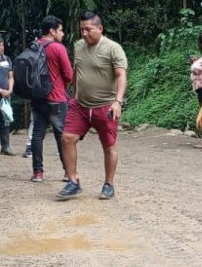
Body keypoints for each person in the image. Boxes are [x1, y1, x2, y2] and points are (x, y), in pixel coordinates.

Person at [58, 12, 128, 201]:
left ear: (100, 28)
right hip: (79, 105)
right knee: (67, 138)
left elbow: (121, 76)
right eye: (82, 30)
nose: (84, 34)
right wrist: (70, 93)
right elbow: (77, 71)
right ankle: (73, 182)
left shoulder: (113, 49)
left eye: (88, 29)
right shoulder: (79, 46)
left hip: (105, 106)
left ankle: (108, 184)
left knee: (108, 146)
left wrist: (118, 102)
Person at [26, 16, 74, 182]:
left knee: (37, 136)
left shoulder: (33, 47)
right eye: (60, 30)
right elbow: (69, 74)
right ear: (52, 31)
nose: (62, 33)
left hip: (38, 99)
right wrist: (63, 86)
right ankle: (68, 172)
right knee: (62, 136)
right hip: (57, 99)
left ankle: (38, 173)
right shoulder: (58, 48)